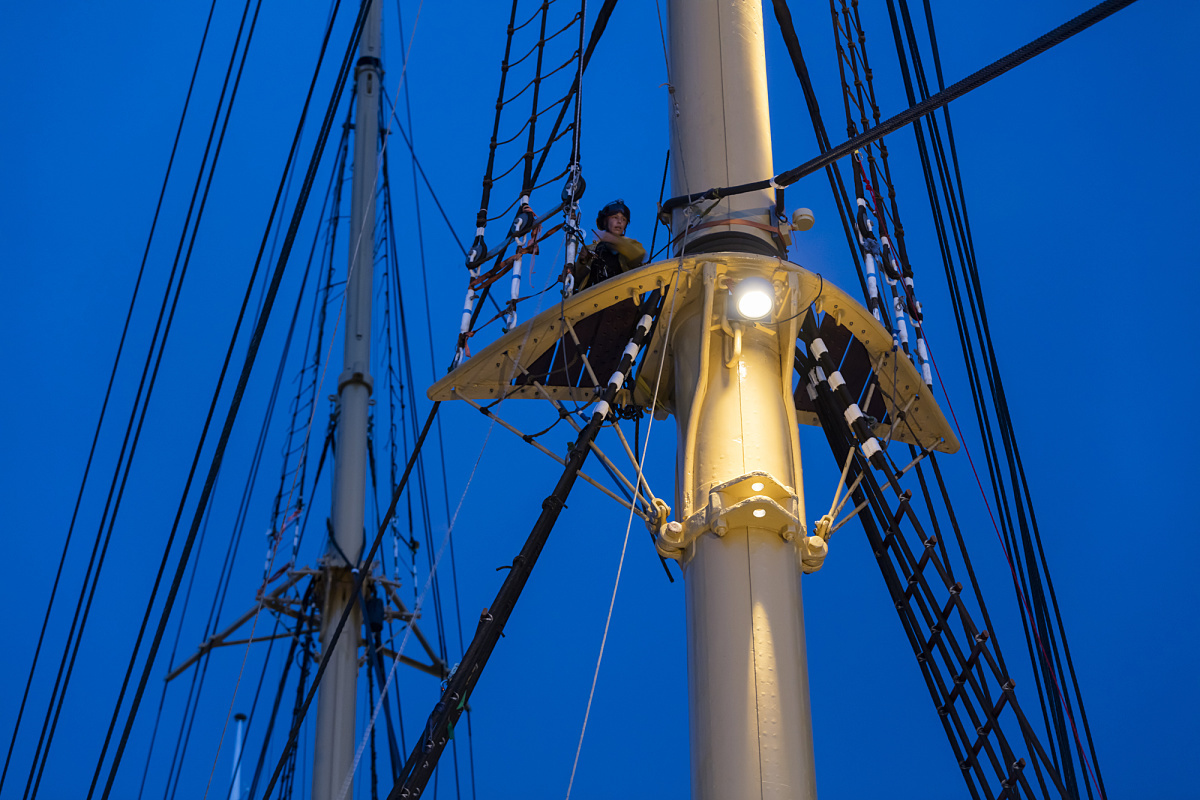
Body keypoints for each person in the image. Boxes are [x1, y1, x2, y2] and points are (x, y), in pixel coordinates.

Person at [577, 199, 645, 290]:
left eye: (623, 219)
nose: (619, 222)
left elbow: (639, 255)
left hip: (620, 298)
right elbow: (576, 281)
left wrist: (615, 241)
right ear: (605, 222)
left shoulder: (630, 245)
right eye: (615, 217)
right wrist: (583, 261)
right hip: (593, 299)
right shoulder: (591, 249)